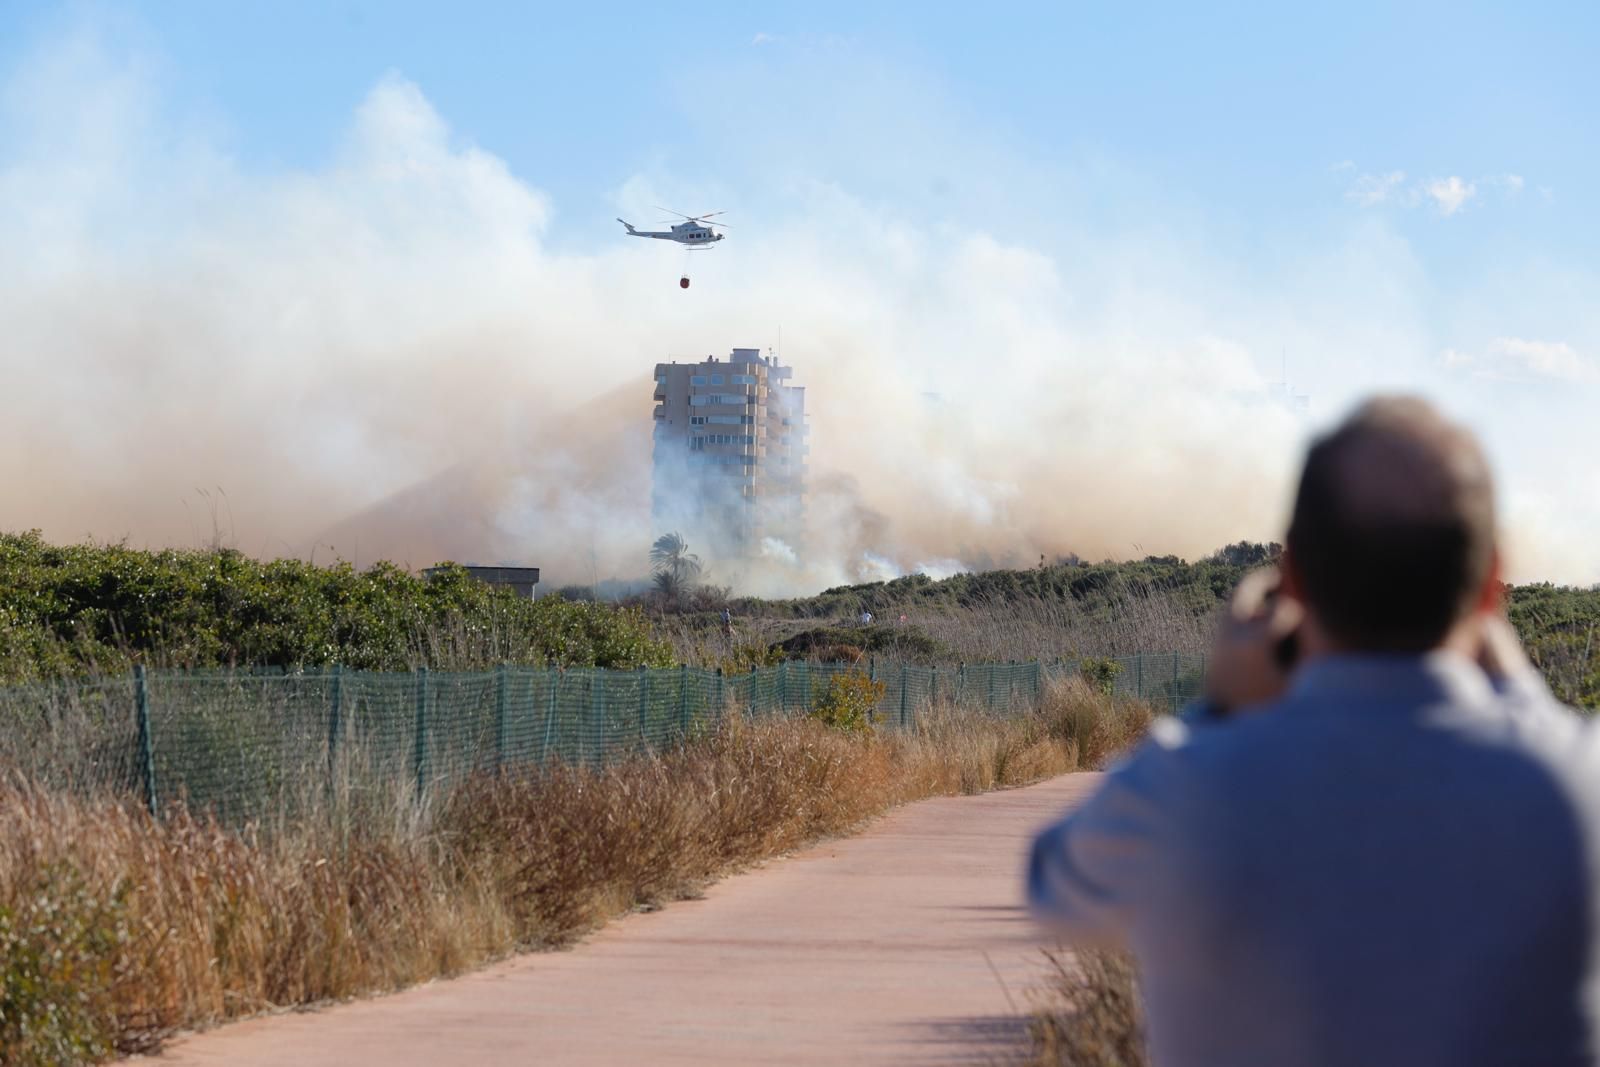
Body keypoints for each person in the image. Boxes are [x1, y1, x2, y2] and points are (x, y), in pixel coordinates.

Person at [1028, 396, 1600, 1067]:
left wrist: (1219, 707)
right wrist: (1522, 689)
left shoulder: (1186, 789)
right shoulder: (1579, 779)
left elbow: (1053, 884)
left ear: (1293, 574)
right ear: (1490, 584)